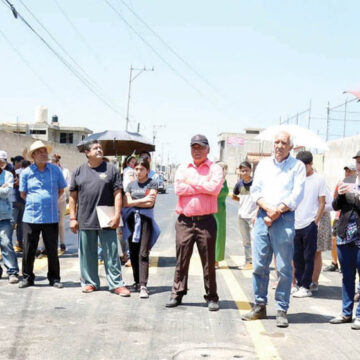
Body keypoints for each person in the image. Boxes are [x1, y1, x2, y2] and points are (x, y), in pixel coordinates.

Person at [242, 131, 305, 328]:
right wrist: (268, 209)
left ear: (291, 146)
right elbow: (256, 190)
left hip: (284, 218)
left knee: (284, 267)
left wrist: (277, 211)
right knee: (260, 265)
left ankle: (281, 309)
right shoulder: (264, 165)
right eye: (276, 142)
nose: (279, 146)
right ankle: (260, 305)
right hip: (263, 216)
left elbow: (297, 193)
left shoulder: (298, 166)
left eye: (283, 142)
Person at [166, 134, 223, 311]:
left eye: (200, 147)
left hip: (206, 221)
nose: (197, 151)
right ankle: (177, 293)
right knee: (181, 259)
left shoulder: (215, 168)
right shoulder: (183, 168)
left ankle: (212, 296)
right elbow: (178, 188)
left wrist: (192, 183)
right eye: (194, 147)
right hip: (185, 221)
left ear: (208, 150)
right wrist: (202, 185)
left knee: (208, 261)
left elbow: (214, 189)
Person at [69, 140, 130, 296]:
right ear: (87, 153)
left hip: (107, 219)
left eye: (100, 148)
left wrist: (117, 215)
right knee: (88, 254)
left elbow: (118, 194)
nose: (99, 150)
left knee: (111, 253)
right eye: (95, 148)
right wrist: (72, 218)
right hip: (85, 218)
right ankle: (90, 282)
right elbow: (73, 197)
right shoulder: (78, 171)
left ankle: (116, 284)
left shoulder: (111, 170)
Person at [18, 141, 67, 289]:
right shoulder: (26, 172)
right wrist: (36, 202)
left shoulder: (55, 170)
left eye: (45, 151)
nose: (44, 154)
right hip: (31, 216)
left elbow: (61, 190)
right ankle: (27, 277)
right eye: (40, 152)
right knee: (28, 249)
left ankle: (54, 278)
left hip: (51, 216)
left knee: (52, 249)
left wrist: (48, 201)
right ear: (33, 156)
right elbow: (23, 194)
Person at [329, 150, 360, 330]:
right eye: (357, 161)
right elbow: (335, 206)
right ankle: (346, 313)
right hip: (345, 236)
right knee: (347, 277)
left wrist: (355, 198)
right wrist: (340, 195)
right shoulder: (348, 181)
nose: (359, 165)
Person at [122, 157, 160, 298]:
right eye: (136, 169)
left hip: (145, 221)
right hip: (132, 221)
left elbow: (150, 203)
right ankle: (136, 282)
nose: (138, 172)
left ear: (147, 171)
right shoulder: (131, 185)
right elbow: (127, 202)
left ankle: (143, 285)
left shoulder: (153, 183)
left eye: (141, 169)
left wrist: (134, 202)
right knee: (133, 252)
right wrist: (142, 201)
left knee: (143, 253)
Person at [291, 151, 325, 298]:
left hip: (310, 224)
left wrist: (315, 221)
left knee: (308, 256)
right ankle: (299, 284)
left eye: (304, 166)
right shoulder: (295, 178)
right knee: (296, 256)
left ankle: (306, 286)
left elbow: (322, 202)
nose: (301, 169)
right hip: (294, 223)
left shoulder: (319, 179)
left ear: (311, 164)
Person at [324, 163, 357, 272]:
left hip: (353, 218)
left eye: (350, 171)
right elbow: (335, 201)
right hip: (340, 217)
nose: (347, 173)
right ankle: (335, 262)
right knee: (335, 239)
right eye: (346, 171)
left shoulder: (357, 183)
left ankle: (349, 264)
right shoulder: (341, 184)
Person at [232, 161, 257, 270]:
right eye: (242, 171)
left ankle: (256, 262)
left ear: (251, 170)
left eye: (246, 170)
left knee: (255, 240)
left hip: (253, 216)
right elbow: (234, 196)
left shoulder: (255, 183)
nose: (245, 172)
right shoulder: (239, 184)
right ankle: (248, 262)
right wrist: (242, 202)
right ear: (240, 172)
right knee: (246, 240)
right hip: (241, 216)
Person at [0, 151, 19, 284]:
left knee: (6, 243)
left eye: (2, 162)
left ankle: (12, 271)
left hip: (5, 216)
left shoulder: (8, 175)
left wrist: (3, 189)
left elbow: (6, 193)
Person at [50, 154, 71, 255]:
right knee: (48, 223)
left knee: (61, 223)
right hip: (50, 200)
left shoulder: (65, 171)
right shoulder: (48, 171)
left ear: (57, 162)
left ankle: (62, 243)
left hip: (61, 199)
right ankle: (45, 245)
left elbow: (68, 185)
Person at [213, 162, 229, 267]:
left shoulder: (225, 181)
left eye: (224, 168)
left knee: (220, 235)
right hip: (213, 209)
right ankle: (212, 259)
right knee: (213, 235)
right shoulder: (214, 180)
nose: (222, 170)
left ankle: (217, 259)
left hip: (222, 211)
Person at [11, 155, 25, 252]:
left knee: (20, 224)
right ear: (16, 162)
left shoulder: (23, 172)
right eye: (21, 162)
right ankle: (7, 244)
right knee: (12, 223)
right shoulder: (10, 172)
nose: (22, 164)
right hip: (14, 200)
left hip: (22, 201)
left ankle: (20, 243)